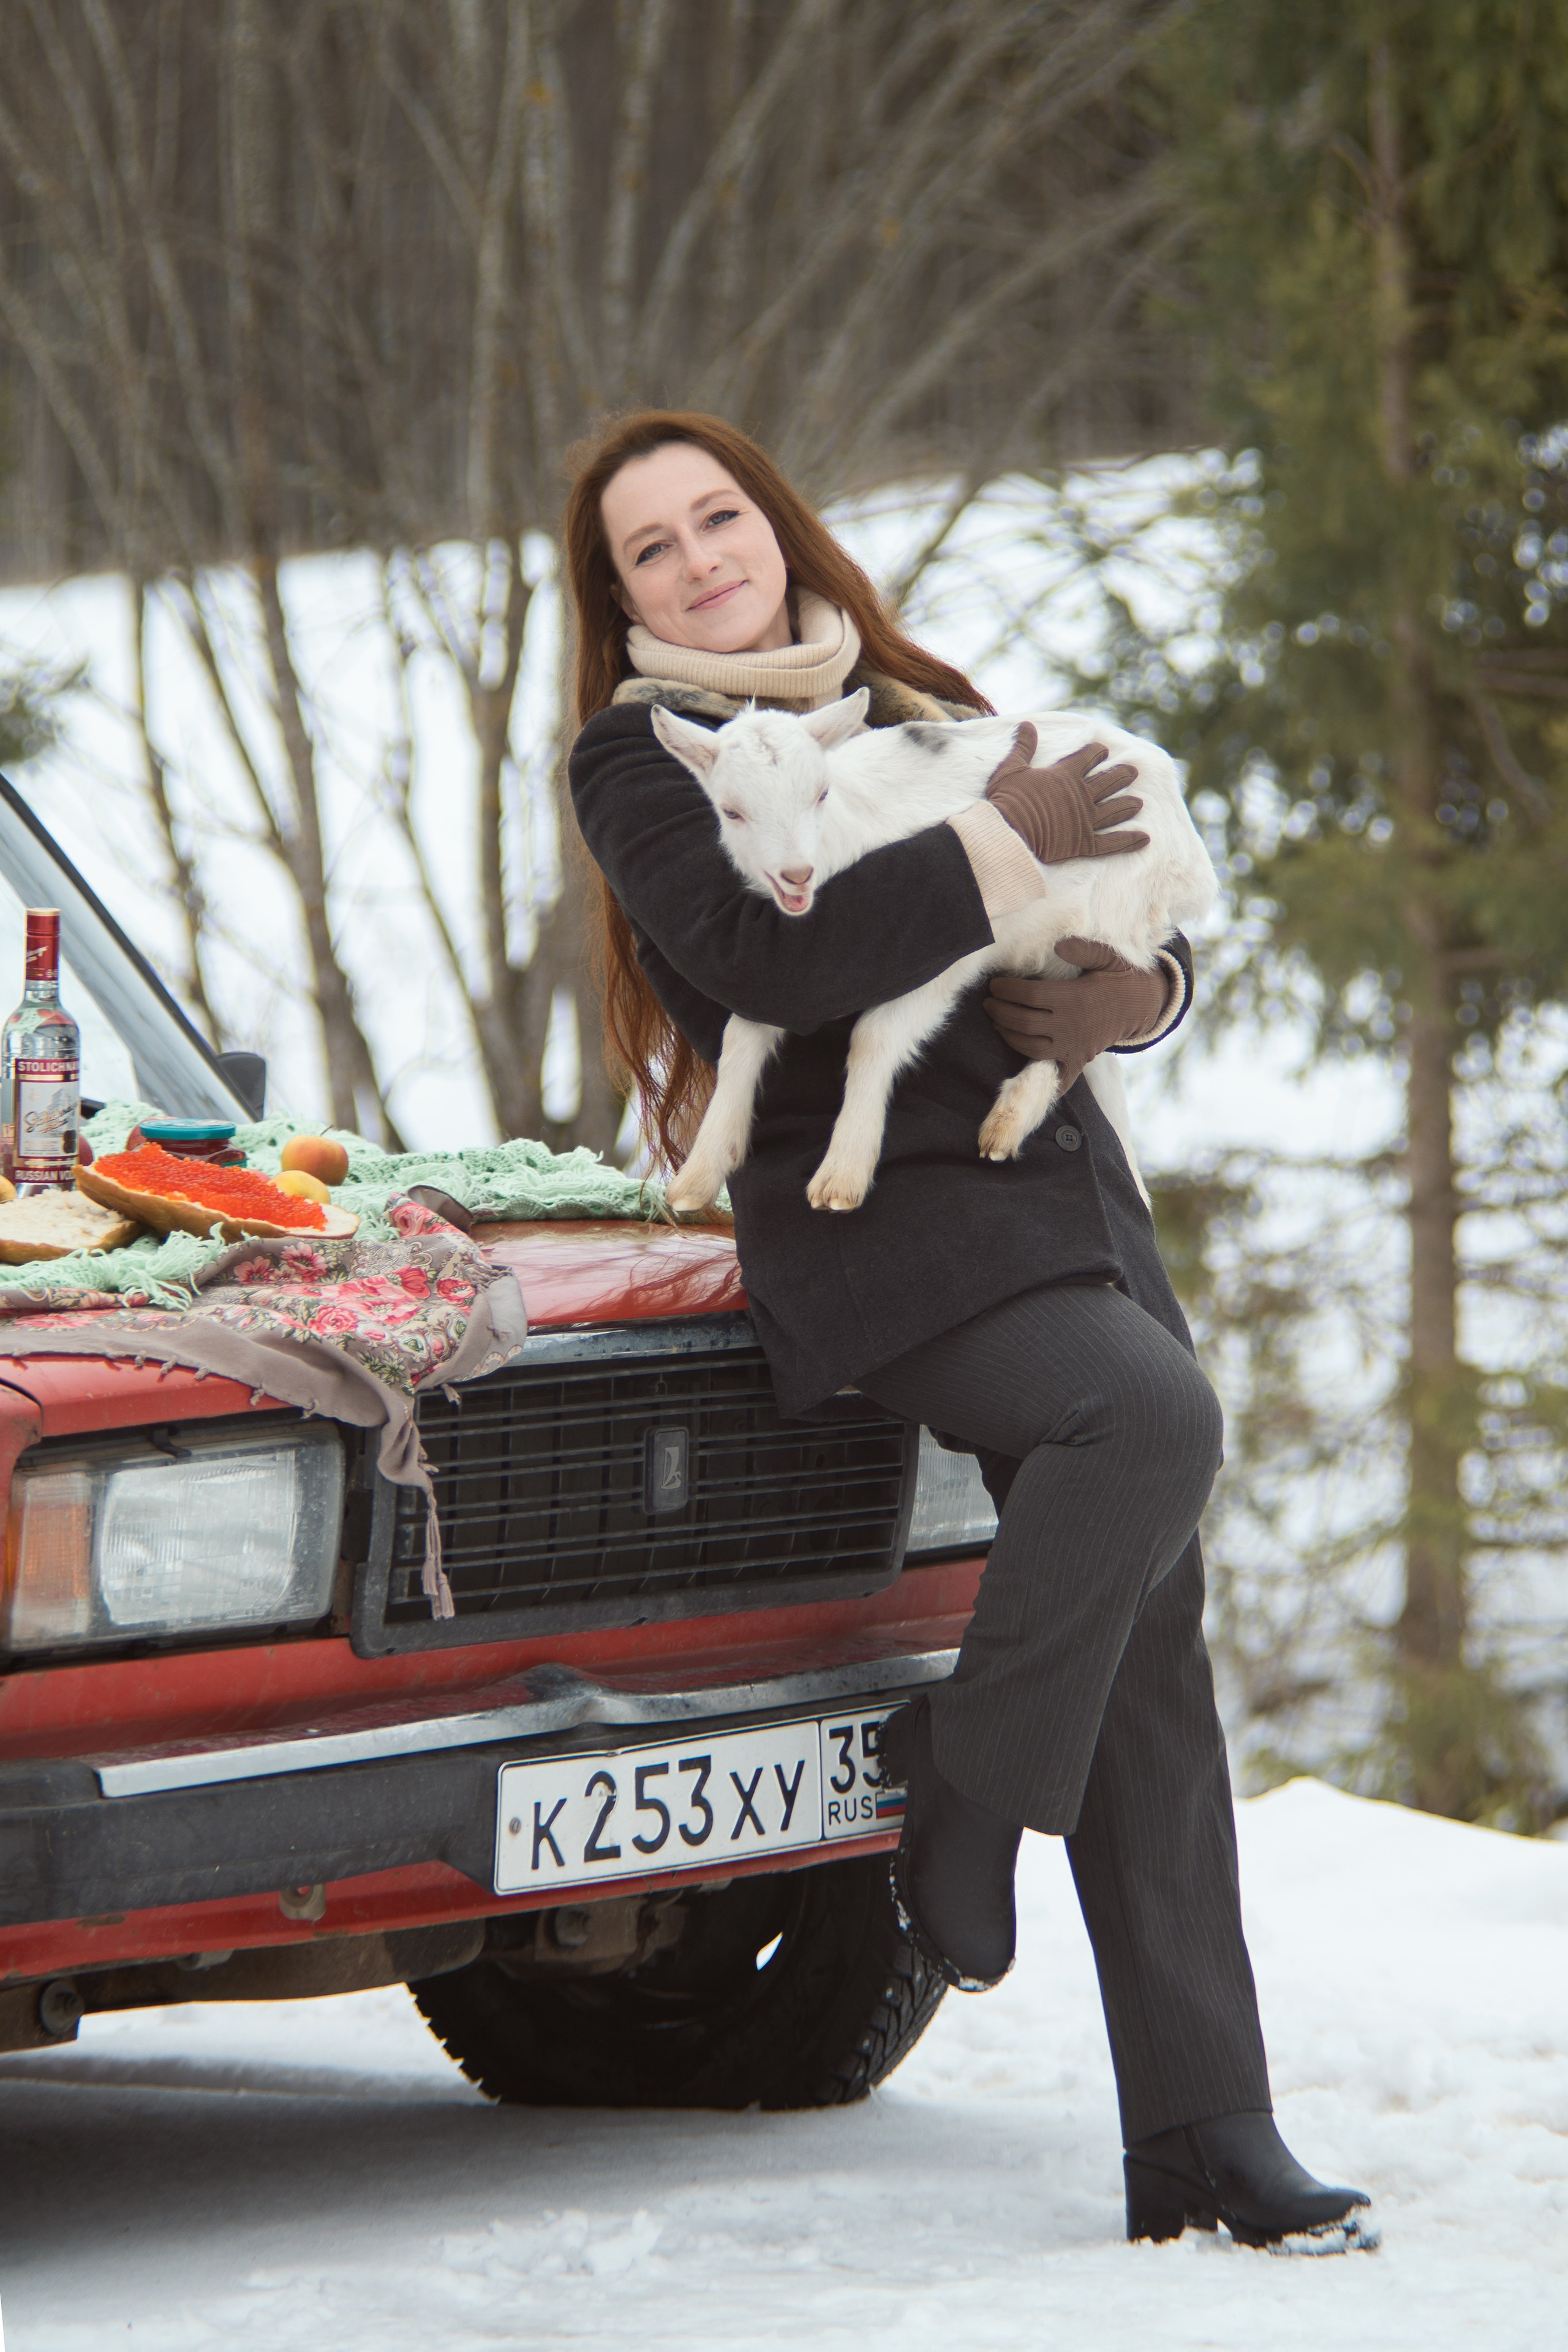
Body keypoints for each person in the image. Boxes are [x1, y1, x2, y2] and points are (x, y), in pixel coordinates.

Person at [564, 410, 1376, 2254]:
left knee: (1149, 1650)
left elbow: (1124, 869)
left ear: (778, 526)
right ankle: (964, 1796)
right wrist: (991, 848)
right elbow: (766, 966)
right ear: (618, 600)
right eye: (653, 550)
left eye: (721, 518)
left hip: (1066, 1199)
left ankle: (1203, 2133)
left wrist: (1134, 995)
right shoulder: (638, 767)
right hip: (888, 1230)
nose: (703, 561)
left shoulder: (916, 692)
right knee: (1150, 1429)